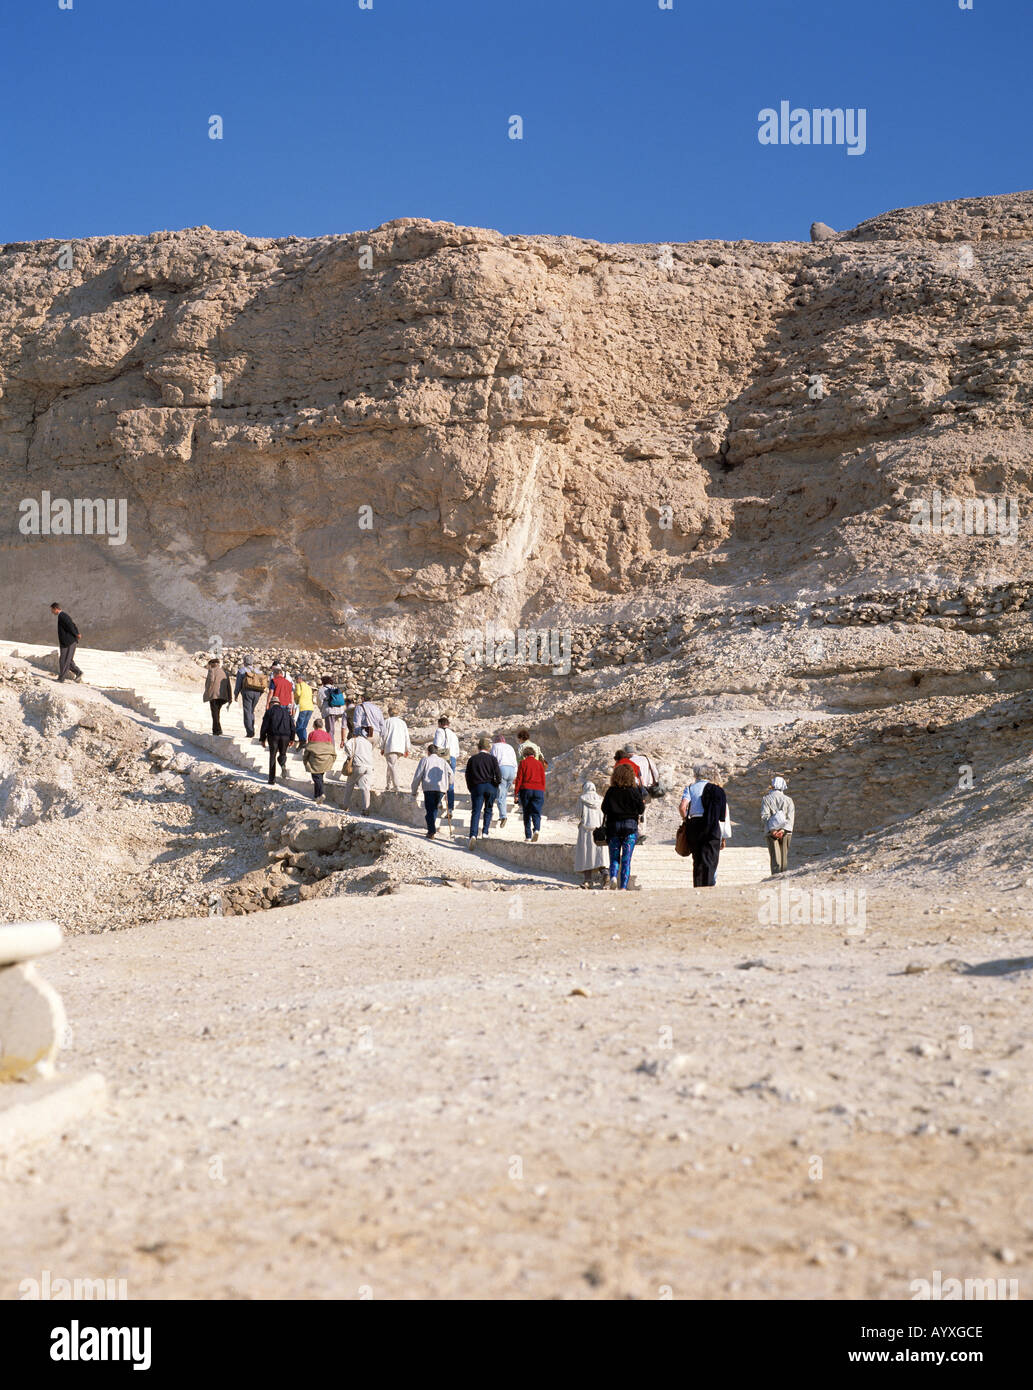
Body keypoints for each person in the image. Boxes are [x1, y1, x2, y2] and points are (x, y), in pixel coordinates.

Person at [679, 767, 730, 888]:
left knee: (697, 859)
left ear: (696, 775)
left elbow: (682, 807)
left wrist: (685, 819)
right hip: (712, 823)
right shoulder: (716, 790)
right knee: (710, 858)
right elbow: (723, 815)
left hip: (694, 823)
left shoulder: (690, 788)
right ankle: (708, 886)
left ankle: (697, 887)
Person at [601, 763, 645, 890]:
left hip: (613, 827)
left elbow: (604, 808)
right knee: (626, 859)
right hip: (630, 828)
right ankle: (623, 887)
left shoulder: (611, 791)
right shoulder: (634, 791)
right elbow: (641, 809)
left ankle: (613, 877)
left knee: (614, 858)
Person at [411, 742, 454, 838]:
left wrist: (414, 791)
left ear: (428, 752)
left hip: (429, 788)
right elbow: (451, 774)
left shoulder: (425, 760)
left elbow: (418, 776)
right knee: (433, 809)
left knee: (430, 810)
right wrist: (448, 785)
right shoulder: (443, 761)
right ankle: (431, 829)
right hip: (441, 789)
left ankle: (431, 831)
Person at [465, 736, 501, 848]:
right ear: (488, 748)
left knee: (476, 811)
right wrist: (496, 785)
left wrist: (471, 788)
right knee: (488, 809)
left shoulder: (472, 759)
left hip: (477, 787)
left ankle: (473, 835)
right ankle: (485, 833)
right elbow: (498, 775)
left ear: (478, 747)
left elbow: (468, 776)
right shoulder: (493, 759)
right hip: (490, 786)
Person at [574, 780, 609, 888]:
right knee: (600, 854)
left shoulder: (581, 799)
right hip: (599, 830)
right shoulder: (600, 799)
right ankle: (605, 874)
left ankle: (588, 880)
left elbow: (578, 814)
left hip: (586, 830)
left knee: (586, 854)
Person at [760, 775, 795, 874]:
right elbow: (790, 818)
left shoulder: (766, 799)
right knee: (784, 858)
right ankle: (783, 881)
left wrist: (773, 830)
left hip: (771, 833)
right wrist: (783, 830)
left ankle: (775, 878)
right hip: (786, 832)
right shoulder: (789, 800)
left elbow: (764, 816)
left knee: (775, 859)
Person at [259, 695, 296, 784]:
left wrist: (262, 739)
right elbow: (293, 727)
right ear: (279, 703)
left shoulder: (269, 711)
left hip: (273, 736)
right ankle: (282, 764)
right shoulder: (286, 712)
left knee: (272, 756)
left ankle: (272, 779)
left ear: (271, 703)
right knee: (282, 753)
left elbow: (264, 726)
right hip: (285, 737)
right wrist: (292, 739)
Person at [341, 724, 375, 815]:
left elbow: (347, 746)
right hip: (369, 767)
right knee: (365, 788)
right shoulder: (368, 743)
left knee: (349, 785)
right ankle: (365, 809)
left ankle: (345, 805)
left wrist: (351, 755)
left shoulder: (353, 740)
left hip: (358, 765)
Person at [514, 746, 547, 842]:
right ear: (534, 754)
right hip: (539, 790)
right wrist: (542, 790)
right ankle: (536, 829)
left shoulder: (523, 763)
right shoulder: (540, 764)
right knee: (536, 811)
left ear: (525, 755)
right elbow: (543, 778)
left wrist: (516, 792)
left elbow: (519, 779)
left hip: (526, 790)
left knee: (527, 813)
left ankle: (528, 836)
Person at [301, 718, 336, 800]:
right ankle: (316, 796)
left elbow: (309, 747)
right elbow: (329, 747)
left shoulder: (312, 734)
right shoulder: (327, 735)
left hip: (315, 760)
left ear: (314, 725)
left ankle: (321, 793)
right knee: (319, 777)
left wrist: (305, 759)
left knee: (316, 777)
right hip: (325, 759)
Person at [433, 715, 461, 814]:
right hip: (453, 758)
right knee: (450, 783)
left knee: (439, 780)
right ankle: (450, 809)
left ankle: (438, 801)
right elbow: (457, 751)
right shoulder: (453, 734)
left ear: (440, 724)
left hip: (444, 756)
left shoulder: (439, 731)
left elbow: (437, 745)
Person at [382, 705, 413, 792]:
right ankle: (388, 785)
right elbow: (406, 736)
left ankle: (396, 786)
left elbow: (384, 735)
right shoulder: (402, 722)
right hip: (400, 747)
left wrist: (382, 747)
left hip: (390, 746)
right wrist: (407, 749)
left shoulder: (387, 721)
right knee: (391, 766)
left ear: (389, 713)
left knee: (392, 766)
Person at [50, 603, 83, 683]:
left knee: (64, 660)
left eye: (52, 610)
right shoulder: (61, 616)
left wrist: (76, 634)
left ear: (55, 609)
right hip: (66, 642)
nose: (51, 612)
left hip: (69, 642)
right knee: (67, 660)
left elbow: (71, 625)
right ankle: (78, 672)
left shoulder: (63, 616)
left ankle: (61, 678)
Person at [490, 731, 518, 826]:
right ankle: (503, 812)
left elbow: (493, 760)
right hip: (511, 770)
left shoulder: (495, 746)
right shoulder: (510, 747)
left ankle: (503, 816)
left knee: (500, 795)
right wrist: (515, 774)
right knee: (504, 794)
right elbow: (515, 761)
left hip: (502, 768)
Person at [234, 656, 266, 738]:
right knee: (251, 711)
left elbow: (238, 684)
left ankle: (250, 732)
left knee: (247, 711)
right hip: (257, 693)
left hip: (247, 692)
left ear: (244, 661)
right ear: (252, 662)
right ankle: (252, 729)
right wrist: (260, 693)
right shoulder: (258, 671)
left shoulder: (242, 671)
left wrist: (236, 694)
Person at [202, 657, 232, 734]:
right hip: (223, 696)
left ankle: (216, 730)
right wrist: (230, 697)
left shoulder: (211, 670)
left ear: (212, 664)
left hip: (214, 695)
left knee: (214, 712)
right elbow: (229, 686)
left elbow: (210, 681)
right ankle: (217, 728)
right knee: (217, 712)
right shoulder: (225, 672)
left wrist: (207, 692)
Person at [318, 675, 344, 745]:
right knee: (332, 728)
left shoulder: (322, 689)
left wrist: (321, 709)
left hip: (329, 710)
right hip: (339, 710)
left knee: (330, 730)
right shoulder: (335, 688)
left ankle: (331, 746)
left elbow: (319, 702)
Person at [293, 674, 315, 746]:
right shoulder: (308, 687)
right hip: (310, 708)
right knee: (304, 726)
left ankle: (302, 741)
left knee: (299, 725)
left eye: (296, 679)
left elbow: (298, 694)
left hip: (303, 707)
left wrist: (295, 700)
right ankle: (304, 740)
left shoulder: (298, 685)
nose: (296, 681)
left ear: (300, 679)